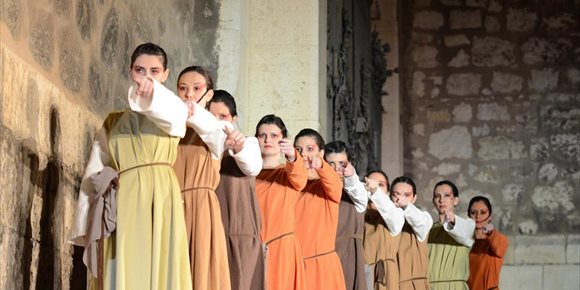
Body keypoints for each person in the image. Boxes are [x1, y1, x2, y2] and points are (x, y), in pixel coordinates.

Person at [70, 42, 193, 290]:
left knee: (159, 268)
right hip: (121, 203)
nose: (146, 77)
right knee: (119, 268)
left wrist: (153, 97)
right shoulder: (114, 120)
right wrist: (85, 221)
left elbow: (171, 113)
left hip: (159, 199)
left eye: (154, 71)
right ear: (130, 71)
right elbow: (94, 169)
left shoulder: (174, 110)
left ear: (166, 74)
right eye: (140, 70)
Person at [173, 66, 240, 290]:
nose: (189, 94)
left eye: (196, 88)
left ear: (209, 94)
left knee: (200, 273)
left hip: (200, 208)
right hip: (170, 204)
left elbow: (210, 128)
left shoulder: (215, 126)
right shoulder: (170, 126)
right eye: (182, 88)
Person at [207, 90, 264, 290]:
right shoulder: (202, 149)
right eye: (212, 116)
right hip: (209, 231)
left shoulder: (248, 143)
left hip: (240, 235)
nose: (218, 122)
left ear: (234, 118)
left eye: (223, 116)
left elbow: (252, 166)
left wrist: (235, 146)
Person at [255, 114, 308, 290]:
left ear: (283, 140)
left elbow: (300, 178)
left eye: (274, 135)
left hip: (282, 249)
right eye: (262, 135)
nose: (267, 139)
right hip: (252, 247)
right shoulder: (246, 176)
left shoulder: (288, 173)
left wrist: (293, 156)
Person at [294, 129, 346, 290]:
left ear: (321, 153)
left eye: (310, 149)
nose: (304, 155)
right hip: (292, 266)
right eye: (298, 149)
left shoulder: (330, 183)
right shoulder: (290, 185)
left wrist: (321, 165)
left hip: (321, 270)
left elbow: (333, 182)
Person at [324, 141, 368, 290]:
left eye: (341, 164)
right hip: (322, 253)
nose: (336, 169)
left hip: (348, 255)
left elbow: (358, 192)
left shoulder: (356, 191)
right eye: (331, 164)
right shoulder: (317, 190)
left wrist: (351, 176)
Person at [428, 180, 475, 290]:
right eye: (437, 196)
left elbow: (462, 231)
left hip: (454, 287)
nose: (441, 200)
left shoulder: (467, 225)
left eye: (446, 195)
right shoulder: (428, 229)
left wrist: (452, 220)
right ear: (433, 201)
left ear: (455, 200)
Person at [361, 171, 404, 290]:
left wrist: (376, 192)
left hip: (386, 276)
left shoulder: (395, 213)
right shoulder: (357, 213)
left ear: (388, 191)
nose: (373, 186)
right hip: (361, 273)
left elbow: (394, 219)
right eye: (369, 183)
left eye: (380, 184)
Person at [390, 176, 433, 290]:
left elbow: (419, 221)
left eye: (407, 195)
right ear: (390, 196)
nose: (401, 199)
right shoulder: (382, 222)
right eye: (396, 194)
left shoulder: (424, 218)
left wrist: (406, 206)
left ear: (414, 198)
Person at [467, 196, 509, 290]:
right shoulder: (466, 243)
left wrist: (490, 232)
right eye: (473, 213)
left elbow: (499, 248)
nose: (478, 217)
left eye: (483, 212)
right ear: (469, 216)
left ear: (490, 216)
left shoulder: (498, 239)